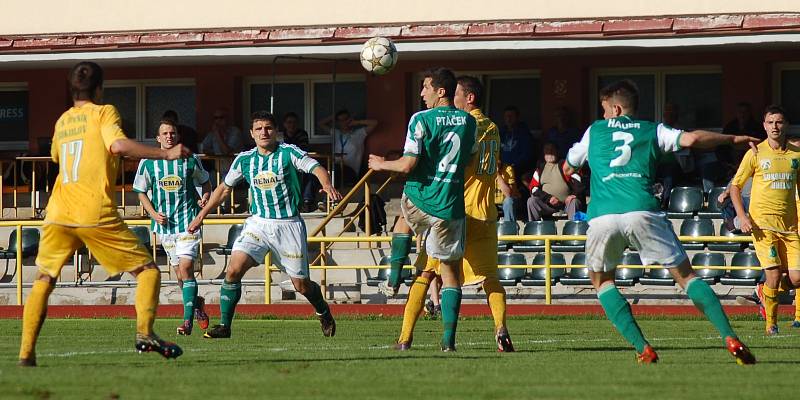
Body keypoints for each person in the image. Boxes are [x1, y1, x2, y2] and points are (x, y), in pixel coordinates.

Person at [565, 79, 758, 364]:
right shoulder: (652, 129)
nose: (604, 115)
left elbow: (569, 166)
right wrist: (732, 139)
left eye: (605, 110)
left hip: (603, 215)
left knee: (602, 280)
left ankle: (643, 348)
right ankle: (730, 337)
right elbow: (692, 140)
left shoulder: (595, 130)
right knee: (686, 277)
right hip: (642, 210)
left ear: (616, 109)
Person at [18, 61, 190, 367]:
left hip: (57, 212)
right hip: (93, 210)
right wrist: (166, 153)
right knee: (148, 271)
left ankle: (26, 353)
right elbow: (118, 145)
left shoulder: (61, 122)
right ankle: (144, 332)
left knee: (44, 277)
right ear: (99, 89)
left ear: (71, 90)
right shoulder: (103, 112)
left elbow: (59, 156)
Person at [386, 75, 514, 352]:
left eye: (457, 94)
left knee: (426, 274)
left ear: (469, 98)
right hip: (487, 212)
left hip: (455, 210)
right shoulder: (491, 126)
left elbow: (448, 156)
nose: (453, 101)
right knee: (490, 277)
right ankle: (500, 327)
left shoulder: (466, 124)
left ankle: (405, 337)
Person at [188, 111, 342, 339]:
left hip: (287, 225)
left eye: (268, 128)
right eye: (258, 128)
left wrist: (327, 184)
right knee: (233, 269)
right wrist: (201, 215)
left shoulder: (288, 153)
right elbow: (223, 189)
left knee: (301, 285)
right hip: (258, 224)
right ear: (251, 133)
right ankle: (224, 326)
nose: (263, 132)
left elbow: (316, 167)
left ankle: (323, 311)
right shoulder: (245, 159)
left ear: (275, 131)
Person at [368, 67, 476, 352]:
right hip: (450, 205)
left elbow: (407, 165)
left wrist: (381, 164)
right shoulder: (468, 121)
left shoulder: (420, 119)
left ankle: (392, 279)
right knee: (450, 273)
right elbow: (469, 158)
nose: (421, 93)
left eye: (426, 87)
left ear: (441, 91)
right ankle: (448, 341)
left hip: (423, 198)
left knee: (402, 219)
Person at [133, 117, 213, 336]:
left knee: (186, 270)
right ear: (158, 138)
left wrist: (204, 197)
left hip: (189, 223)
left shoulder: (189, 159)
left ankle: (186, 322)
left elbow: (206, 181)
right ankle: (197, 305)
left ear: (178, 136)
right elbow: (140, 191)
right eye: (165, 134)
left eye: (173, 133)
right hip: (165, 227)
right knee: (179, 275)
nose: (169, 137)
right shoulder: (148, 162)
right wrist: (153, 213)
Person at [730, 105, 800, 335]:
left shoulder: (795, 155)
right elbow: (736, 187)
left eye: (779, 122)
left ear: (786, 125)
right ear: (764, 126)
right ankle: (771, 324)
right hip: (763, 225)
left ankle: (765, 292)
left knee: (797, 279)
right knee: (772, 273)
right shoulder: (755, 153)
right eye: (770, 122)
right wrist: (742, 216)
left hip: (789, 226)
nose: (775, 126)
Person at [526, 142, 585, 221]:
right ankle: (533, 228)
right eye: (547, 150)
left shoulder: (565, 165)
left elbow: (579, 182)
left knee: (574, 202)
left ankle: (573, 229)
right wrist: (548, 198)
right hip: (547, 204)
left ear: (557, 152)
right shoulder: (540, 169)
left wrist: (574, 195)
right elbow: (533, 188)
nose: (549, 153)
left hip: (566, 204)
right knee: (531, 201)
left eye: (552, 150)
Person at [319, 109, 378, 185]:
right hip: (335, 167)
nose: (343, 122)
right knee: (319, 169)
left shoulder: (359, 133)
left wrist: (357, 122)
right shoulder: (336, 133)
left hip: (350, 171)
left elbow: (374, 123)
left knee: (334, 174)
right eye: (340, 120)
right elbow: (320, 123)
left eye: (345, 119)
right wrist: (333, 116)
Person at [281, 112, 317, 211]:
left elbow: (302, 150)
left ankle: (307, 201)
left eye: (294, 122)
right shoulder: (280, 135)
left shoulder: (302, 134)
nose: (292, 125)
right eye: (289, 122)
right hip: (283, 163)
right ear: (284, 124)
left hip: (299, 162)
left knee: (310, 174)